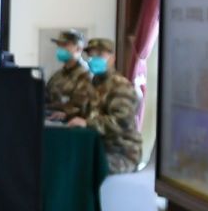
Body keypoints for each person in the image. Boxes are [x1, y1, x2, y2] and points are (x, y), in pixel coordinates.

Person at [80, 37, 142, 175]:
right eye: (91, 55)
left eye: (100, 55)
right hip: (100, 148)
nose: (94, 58)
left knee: (80, 168)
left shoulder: (120, 86)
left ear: (112, 58)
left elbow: (121, 122)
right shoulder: (93, 84)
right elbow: (87, 113)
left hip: (122, 153)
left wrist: (87, 123)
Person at [45, 28, 92, 121]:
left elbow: (83, 106)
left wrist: (66, 114)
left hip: (73, 125)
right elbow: (46, 98)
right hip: (52, 120)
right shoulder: (57, 75)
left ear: (79, 48)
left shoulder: (86, 74)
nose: (60, 49)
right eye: (59, 45)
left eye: (65, 45)